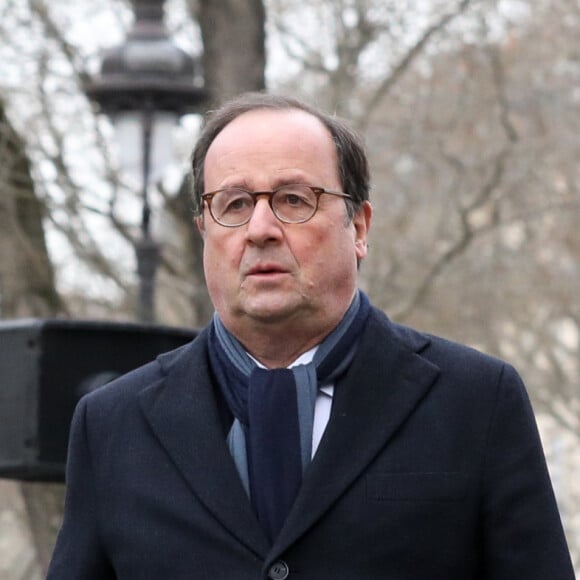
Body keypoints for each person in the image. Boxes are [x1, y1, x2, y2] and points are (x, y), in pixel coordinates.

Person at [47, 92, 575, 580]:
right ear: (203, 233)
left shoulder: (476, 402)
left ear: (360, 227)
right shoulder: (113, 424)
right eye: (233, 205)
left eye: (294, 200)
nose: (260, 229)